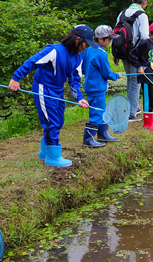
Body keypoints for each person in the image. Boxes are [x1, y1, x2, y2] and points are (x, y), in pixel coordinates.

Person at [8, 25, 94, 167]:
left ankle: (45, 152)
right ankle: (53, 158)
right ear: (78, 39)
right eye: (85, 44)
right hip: (43, 87)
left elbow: (75, 80)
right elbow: (32, 62)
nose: (85, 48)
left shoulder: (78, 58)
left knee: (59, 120)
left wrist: (79, 98)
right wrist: (16, 78)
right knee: (51, 122)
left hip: (58, 89)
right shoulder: (54, 50)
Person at [81, 25, 122, 148]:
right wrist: (116, 75)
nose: (110, 42)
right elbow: (106, 73)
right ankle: (88, 139)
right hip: (97, 89)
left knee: (102, 110)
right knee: (97, 113)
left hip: (90, 87)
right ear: (100, 39)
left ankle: (103, 134)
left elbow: (82, 68)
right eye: (109, 39)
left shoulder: (88, 50)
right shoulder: (101, 54)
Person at [114, 0, 150, 122]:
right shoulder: (142, 15)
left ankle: (132, 107)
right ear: (144, 3)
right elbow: (145, 37)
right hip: (135, 53)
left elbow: (115, 33)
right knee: (135, 81)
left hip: (122, 51)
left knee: (130, 80)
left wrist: (115, 53)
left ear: (132, 0)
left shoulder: (122, 13)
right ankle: (131, 113)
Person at [129, 22, 153, 132]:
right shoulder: (144, 43)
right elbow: (132, 55)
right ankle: (148, 122)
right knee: (149, 98)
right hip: (146, 76)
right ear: (150, 33)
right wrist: (139, 66)